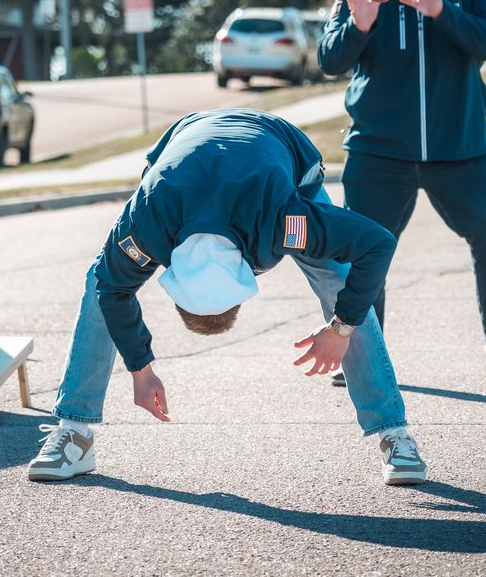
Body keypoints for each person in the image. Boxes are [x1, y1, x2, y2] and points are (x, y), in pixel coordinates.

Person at [27, 108, 427, 486]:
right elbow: (111, 288)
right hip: (183, 151)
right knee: (101, 279)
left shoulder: (283, 221)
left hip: (275, 143)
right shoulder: (150, 222)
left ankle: (393, 433)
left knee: (339, 284)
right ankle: (74, 431)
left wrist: (341, 327)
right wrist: (140, 368)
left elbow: (376, 243)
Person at [319, 0, 486, 383]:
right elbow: (330, 58)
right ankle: (363, 353)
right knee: (364, 251)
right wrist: (361, 24)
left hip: (460, 151)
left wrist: (441, 12)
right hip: (379, 151)